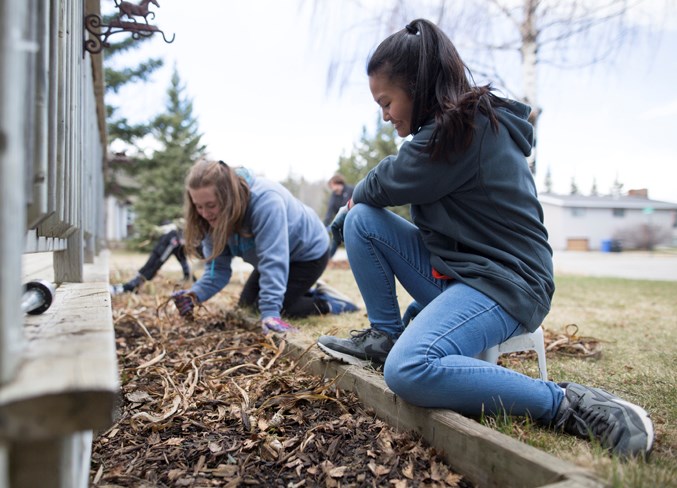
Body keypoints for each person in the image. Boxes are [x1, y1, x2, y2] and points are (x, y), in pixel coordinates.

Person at [317, 19, 653, 459]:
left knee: (410, 370)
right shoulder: (447, 129)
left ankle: (567, 403)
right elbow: (376, 197)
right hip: (466, 275)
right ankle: (384, 335)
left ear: (416, 88)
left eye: (386, 101)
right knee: (363, 220)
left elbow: (384, 182)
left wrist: (350, 199)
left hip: (507, 283)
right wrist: (352, 207)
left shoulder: (460, 131)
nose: (384, 114)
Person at [171, 160, 358, 333]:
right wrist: (194, 295)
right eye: (198, 206)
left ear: (228, 196)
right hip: (275, 258)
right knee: (247, 304)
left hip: (308, 254)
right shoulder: (208, 220)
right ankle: (305, 289)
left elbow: (273, 260)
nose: (204, 213)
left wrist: (270, 313)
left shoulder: (265, 201)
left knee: (271, 307)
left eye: (210, 205)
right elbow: (217, 271)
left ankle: (332, 304)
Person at [110, 220, 193, 295]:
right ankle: (131, 286)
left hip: (165, 248)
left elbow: (180, 259)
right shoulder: (173, 234)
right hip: (163, 248)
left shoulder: (175, 236)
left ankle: (131, 286)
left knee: (152, 267)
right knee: (150, 267)